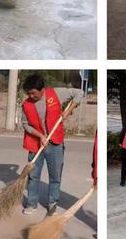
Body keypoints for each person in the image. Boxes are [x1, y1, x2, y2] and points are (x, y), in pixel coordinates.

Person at [21, 74, 83, 216]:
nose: (31, 96)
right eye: (28, 93)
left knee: (55, 177)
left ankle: (52, 204)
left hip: (55, 143)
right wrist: (41, 136)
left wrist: (68, 110)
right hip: (35, 144)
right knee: (33, 176)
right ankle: (31, 204)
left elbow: (80, 93)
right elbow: (25, 125)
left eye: (33, 93)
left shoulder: (56, 93)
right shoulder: (26, 105)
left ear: (42, 89)